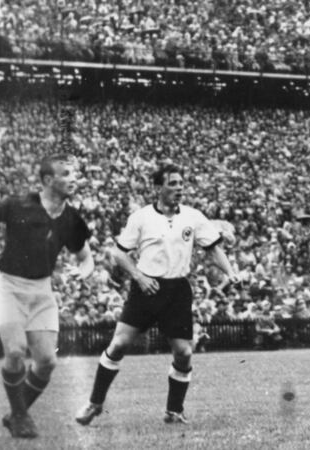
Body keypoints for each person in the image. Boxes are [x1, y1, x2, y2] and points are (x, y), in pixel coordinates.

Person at [75, 163, 239, 425]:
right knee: (118, 344)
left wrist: (231, 273)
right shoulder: (141, 217)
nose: (178, 188)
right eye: (172, 183)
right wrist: (139, 277)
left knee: (184, 353)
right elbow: (119, 253)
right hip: (145, 288)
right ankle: (94, 403)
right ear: (158, 187)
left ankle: (173, 411)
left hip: (177, 291)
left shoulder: (193, 217)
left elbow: (213, 248)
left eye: (181, 183)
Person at [0, 154, 94, 438]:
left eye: (74, 174)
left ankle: (15, 414)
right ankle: (21, 416)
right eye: (67, 174)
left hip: (42, 289)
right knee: (14, 351)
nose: (74, 179)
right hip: (8, 286)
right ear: (48, 180)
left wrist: (83, 272)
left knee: (47, 361)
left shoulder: (71, 218)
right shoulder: (17, 204)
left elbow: (86, 258)